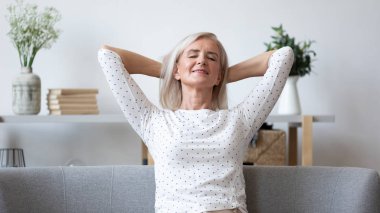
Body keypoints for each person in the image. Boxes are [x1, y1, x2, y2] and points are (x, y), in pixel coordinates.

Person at [98, 32, 294, 213]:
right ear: (176, 69)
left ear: (219, 75)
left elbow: (283, 57)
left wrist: (223, 75)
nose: (201, 60)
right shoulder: (152, 121)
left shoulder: (240, 120)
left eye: (211, 58)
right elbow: (108, 55)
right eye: (192, 55)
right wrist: (170, 71)